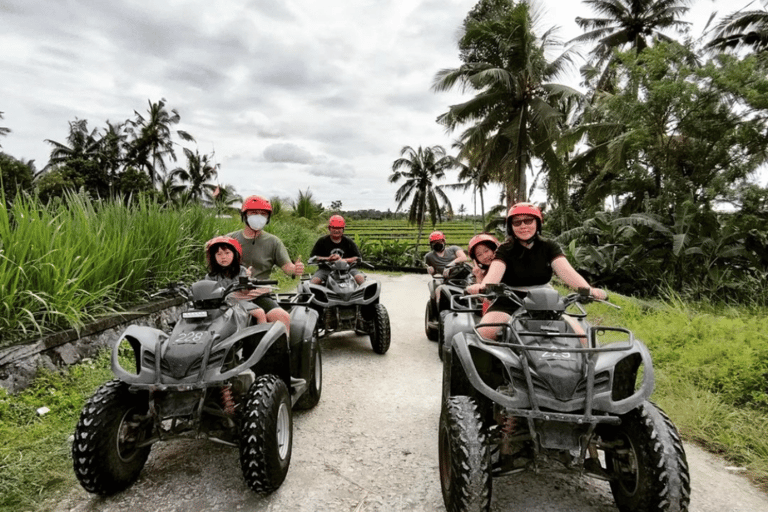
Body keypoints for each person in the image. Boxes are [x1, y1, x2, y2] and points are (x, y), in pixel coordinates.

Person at [466, 203, 606, 339]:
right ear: (510, 227)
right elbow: (494, 274)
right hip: (509, 299)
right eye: (517, 222)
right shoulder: (504, 249)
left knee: (582, 337)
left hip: (546, 300)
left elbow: (566, 272)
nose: (523, 226)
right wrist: (483, 286)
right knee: (485, 332)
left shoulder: (549, 246)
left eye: (528, 221)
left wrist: (589, 290)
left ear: (537, 223)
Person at [227, 195, 304, 331]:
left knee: (283, 317)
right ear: (244, 215)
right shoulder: (229, 239)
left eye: (263, 214)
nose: (258, 216)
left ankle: (283, 352)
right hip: (231, 294)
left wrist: (295, 269)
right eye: (254, 213)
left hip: (259, 295)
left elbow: (287, 267)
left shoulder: (273, 242)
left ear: (267, 218)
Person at [204, 235, 267, 324]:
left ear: (235, 254)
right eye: (219, 254)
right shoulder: (210, 276)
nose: (223, 257)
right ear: (214, 257)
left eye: (227, 253)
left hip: (239, 302)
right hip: (219, 306)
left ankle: (261, 336)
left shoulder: (242, 270)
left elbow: (245, 292)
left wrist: (247, 280)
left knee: (259, 313)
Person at [309, 214, 365, 285]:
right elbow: (313, 257)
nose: (336, 230)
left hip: (348, 270)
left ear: (343, 229)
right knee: (313, 283)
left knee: (361, 280)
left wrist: (343, 260)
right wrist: (328, 259)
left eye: (339, 228)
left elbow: (357, 258)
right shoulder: (322, 241)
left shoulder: (348, 241)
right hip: (326, 270)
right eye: (334, 228)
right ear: (329, 228)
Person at [425, 231, 468, 313]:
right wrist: (431, 270)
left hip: (461, 275)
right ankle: (439, 314)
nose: (437, 244)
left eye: (439, 242)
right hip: (447, 279)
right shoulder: (429, 256)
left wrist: (449, 265)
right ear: (431, 244)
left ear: (443, 242)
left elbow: (463, 257)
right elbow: (433, 272)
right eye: (434, 243)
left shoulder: (453, 249)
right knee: (438, 289)